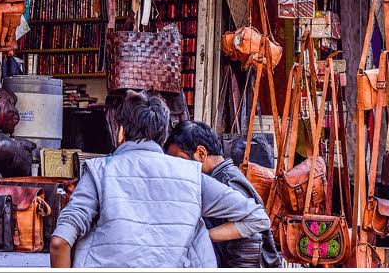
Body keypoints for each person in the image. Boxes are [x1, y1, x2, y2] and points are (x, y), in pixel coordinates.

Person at [50, 91, 270, 268]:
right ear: (163, 135)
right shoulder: (191, 175)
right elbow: (257, 218)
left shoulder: (99, 171)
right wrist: (199, 235)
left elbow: (60, 242)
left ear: (121, 132)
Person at [166, 121, 282, 268]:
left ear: (201, 153)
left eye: (180, 160)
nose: (177, 169)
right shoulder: (223, 177)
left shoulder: (226, 182)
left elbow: (251, 240)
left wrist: (202, 237)